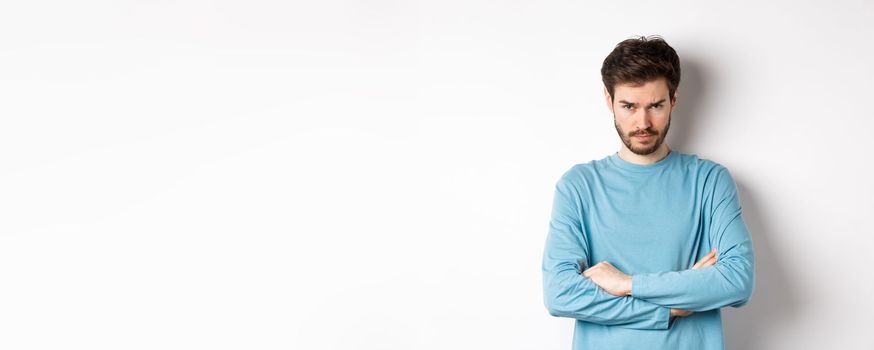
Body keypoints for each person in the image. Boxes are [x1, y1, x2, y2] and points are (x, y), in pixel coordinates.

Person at [541, 35, 755, 350]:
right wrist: (665, 310)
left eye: (656, 105)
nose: (643, 122)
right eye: (629, 106)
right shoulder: (579, 186)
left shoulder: (709, 181)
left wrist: (626, 284)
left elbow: (737, 281)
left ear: (674, 99)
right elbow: (559, 293)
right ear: (608, 99)